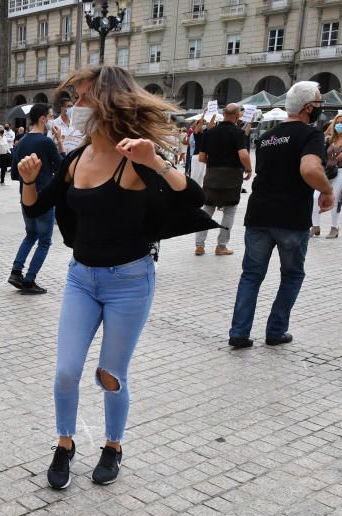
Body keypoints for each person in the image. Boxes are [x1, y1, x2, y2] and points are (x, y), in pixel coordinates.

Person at [18, 65, 207, 489]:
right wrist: (29, 182)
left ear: (106, 103)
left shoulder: (134, 159)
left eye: (82, 98)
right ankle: (65, 444)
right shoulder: (75, 158)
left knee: (110, 374)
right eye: (74, 99)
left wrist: (154, 161)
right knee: (66, 371)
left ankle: (113, 445)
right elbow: (35, 208)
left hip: (129, 282)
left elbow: (195, 198)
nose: (75, 107)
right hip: (82, 279)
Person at [229, 81, 333, 349]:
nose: (321, 108)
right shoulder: (311, 135)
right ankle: (276, 331)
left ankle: (239, 333)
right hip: (291, 217)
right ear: (309, 107)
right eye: (319, 103)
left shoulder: (267, 137)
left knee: (251, 275)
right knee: (292, 275)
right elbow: (310, 169)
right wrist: (327, 190)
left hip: (259, 214)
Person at [8, 103, 60, 294]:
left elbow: (14, 173)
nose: (52, 119)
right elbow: (62, 168)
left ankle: (16, 271)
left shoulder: (21, 142)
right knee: (45, 240)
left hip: (25, 196)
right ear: (43, 119)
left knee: (31, 234)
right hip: (43, 197)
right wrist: (60, 143)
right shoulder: (46, 142)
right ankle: (29, 280)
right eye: (51, 115)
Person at [194, 103, 252, 256]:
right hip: (232, 176)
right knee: (229, 210)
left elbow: (201, 157)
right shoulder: (238, 133)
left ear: (223, 114)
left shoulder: (209, 132)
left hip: (212, 175)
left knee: (207, 208)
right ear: (238, 115)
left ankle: (199, 245)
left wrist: (214, 164)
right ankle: (221, 246)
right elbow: (244, 155)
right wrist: (249, 168)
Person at [311, 114, 342, 239]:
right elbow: (321, 155)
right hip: (326, 172)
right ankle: (315, 226)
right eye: (338, 122)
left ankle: (334, 227)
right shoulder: (328, 139)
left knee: (336, 199)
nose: (340, 125)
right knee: (315, 196)